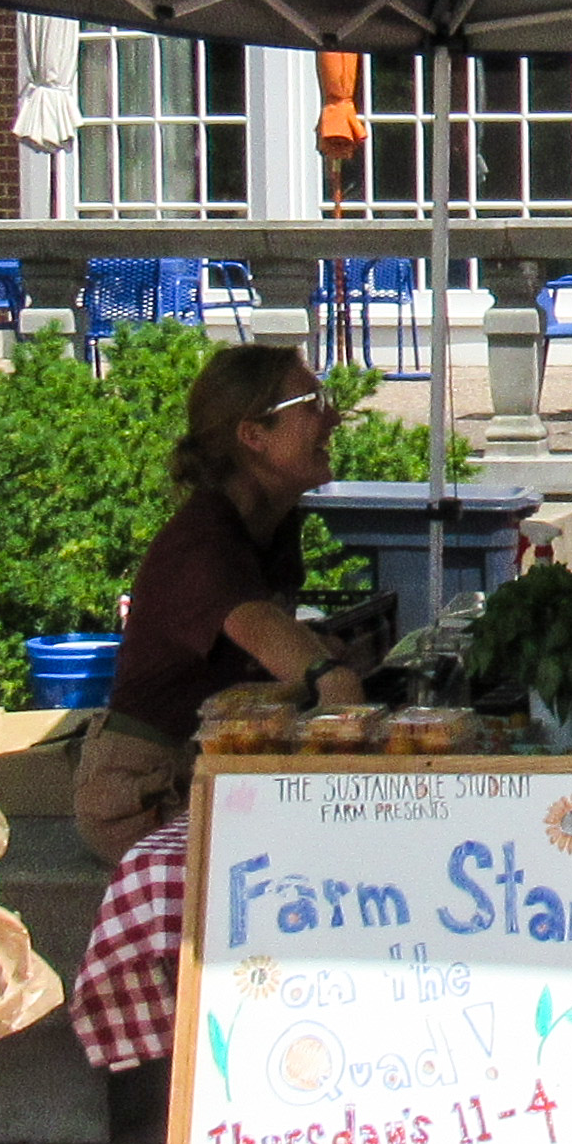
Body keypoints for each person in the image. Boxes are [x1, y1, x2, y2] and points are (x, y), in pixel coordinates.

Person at [72, 342, 365, 871]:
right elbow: (263, 628)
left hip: (210, 769)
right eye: (312, 403)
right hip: (142, 793)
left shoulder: (272, 523)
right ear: (253, 436)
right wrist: (327, 670)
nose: (334, 417)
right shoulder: (202, 542)